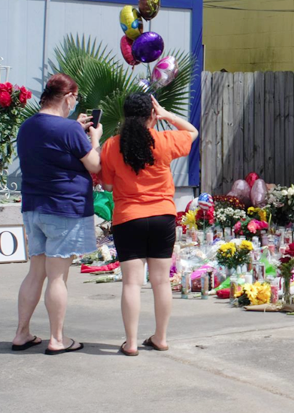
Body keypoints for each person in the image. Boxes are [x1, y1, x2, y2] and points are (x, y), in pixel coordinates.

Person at [99, 94, 197, 356]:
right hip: (163, 216)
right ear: (151, 114)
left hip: (128, 218)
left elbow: (107, 186)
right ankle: (161, 338)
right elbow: (192, 131)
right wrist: (166, 115)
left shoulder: (111, 145)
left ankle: (130, 343)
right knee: (161, 282)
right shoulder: (164, 141)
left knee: (131, 283)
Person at [13, 73, 102, 354]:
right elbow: (95, 165)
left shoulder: (27, 127)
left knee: (35, 272)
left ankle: (21, 333)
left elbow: (51, 149)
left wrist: (75, 130)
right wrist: (95, 139)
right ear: (68, 98)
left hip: (33, 207)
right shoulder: (69, 130)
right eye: (75, 98)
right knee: (57, 277)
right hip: (64, 208)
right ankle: (56, 339)